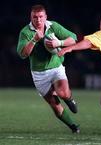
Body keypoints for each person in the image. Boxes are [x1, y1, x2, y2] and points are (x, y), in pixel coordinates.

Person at [17, 4, 79, 133]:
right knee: (54, 104)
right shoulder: (25, 32)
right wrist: (34, 40)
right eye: (35, 17)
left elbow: (73, 38)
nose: (38, 20)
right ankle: (73, 126)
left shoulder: (53, 26)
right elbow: (23, 54)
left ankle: (69, 98)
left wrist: (60, 43)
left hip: (56, 67)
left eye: (40, 17)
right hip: (39, 74)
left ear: (45, 17)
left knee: (63, 93)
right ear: (31, 17)